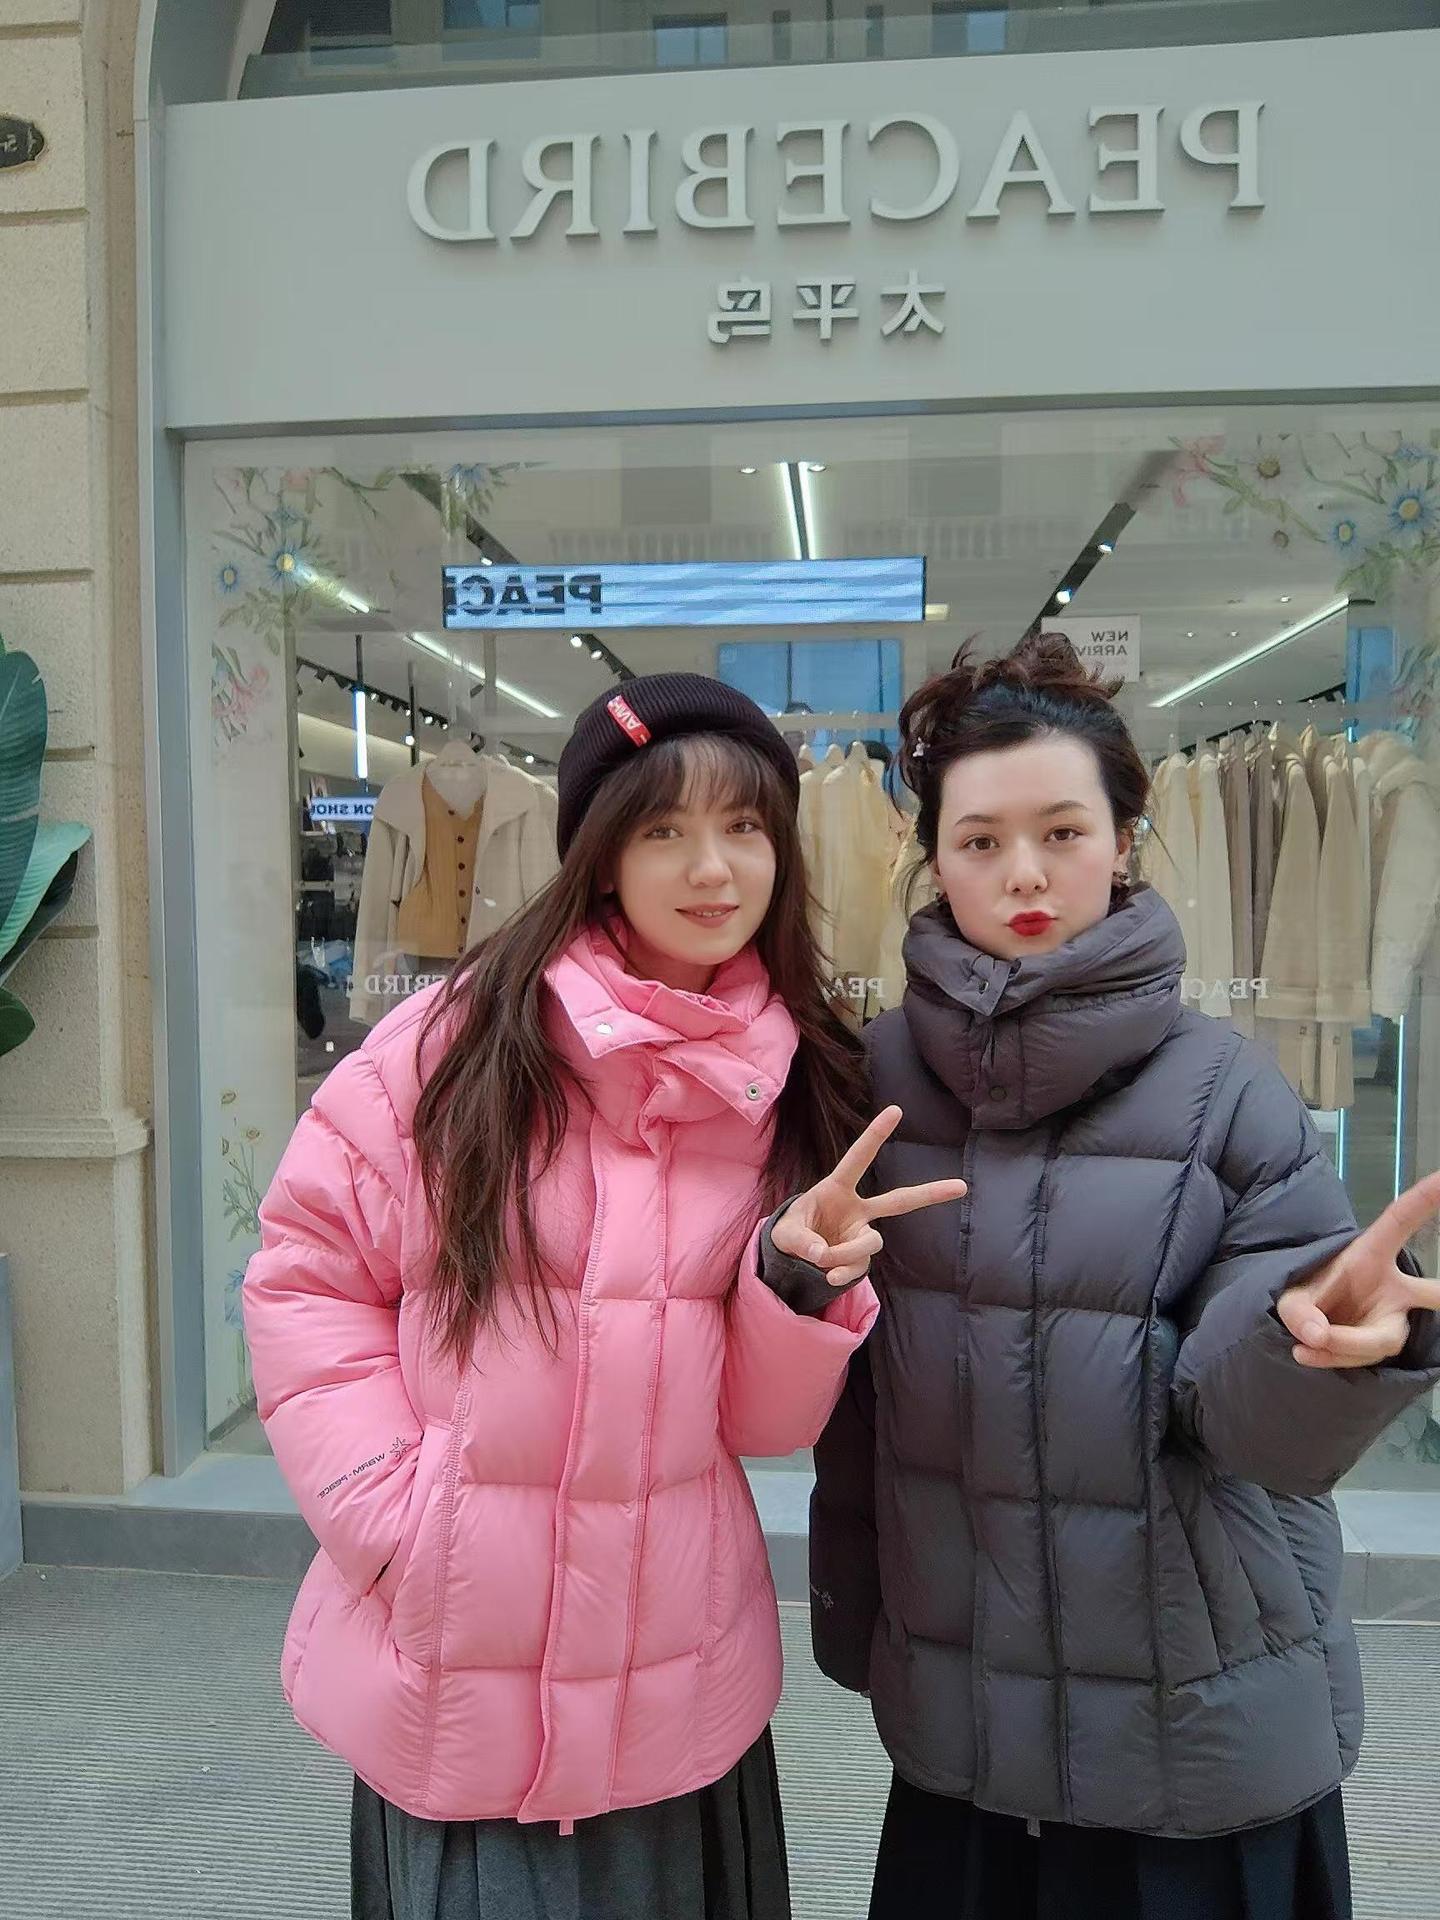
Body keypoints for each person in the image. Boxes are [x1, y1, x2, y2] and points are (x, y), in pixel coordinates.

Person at [243, 672, 963, 1920]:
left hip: (668, 1667)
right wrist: (393, 1514)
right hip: (465, 1662)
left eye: (744, 827)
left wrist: (792, 1285)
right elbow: (310, 1271)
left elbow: (759, 1424)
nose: (713, 868)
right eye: (664, 828)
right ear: (601, 850)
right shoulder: (459, 1044)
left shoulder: (794, 1080)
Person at [798, 635, 1440, 1920]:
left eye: (1062, 832)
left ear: (1124, 840)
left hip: (1192, 1733)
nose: (1025, 873)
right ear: (933, 859)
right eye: (981, 841)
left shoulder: (1226, 1088)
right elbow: (832, 1361)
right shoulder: (867, 1082)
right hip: (965, 1724)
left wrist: (1316, 1342)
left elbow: (1246, 1421)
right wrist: (791, 1280)